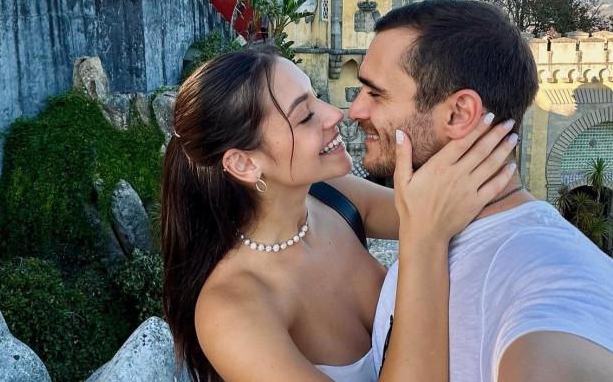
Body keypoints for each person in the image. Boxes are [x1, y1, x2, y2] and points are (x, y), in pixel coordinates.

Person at [349, 0, 613, 382]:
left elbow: (564, 349)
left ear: (458, 114)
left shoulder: (557, 279)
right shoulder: (432, 228)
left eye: (375, 94)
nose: (355, 110)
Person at [161, 47, 518, 381]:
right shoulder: (231, 310)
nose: (335, 114)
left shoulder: (333, 196)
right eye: (305, 116)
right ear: (244, 163)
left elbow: (458, 210)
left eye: (316, 95)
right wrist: (424, 244)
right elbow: (428, 226)